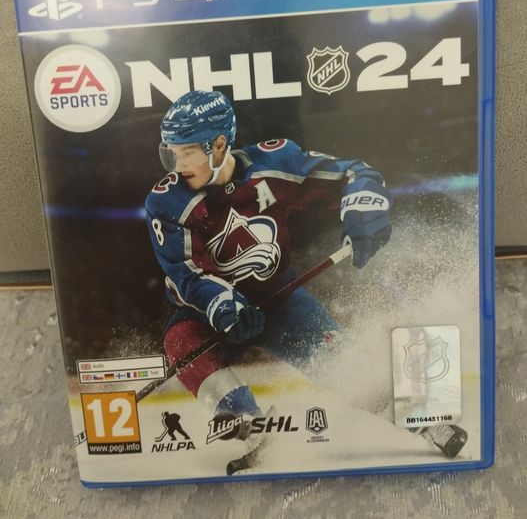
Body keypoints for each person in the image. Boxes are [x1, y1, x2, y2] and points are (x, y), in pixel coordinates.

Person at [145, 90, 466, 466]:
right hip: (207, 313)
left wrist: (363, 205)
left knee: (346, 366)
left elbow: (353, 173)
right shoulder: (167, 202)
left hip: (280, 297)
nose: (177, 165)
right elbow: (187, 271)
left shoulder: (276, 162)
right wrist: (223, 303)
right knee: (180, 341)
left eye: (187, 153)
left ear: (218, 145)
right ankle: (246, 423)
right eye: (171, 153)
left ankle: (427, 422)